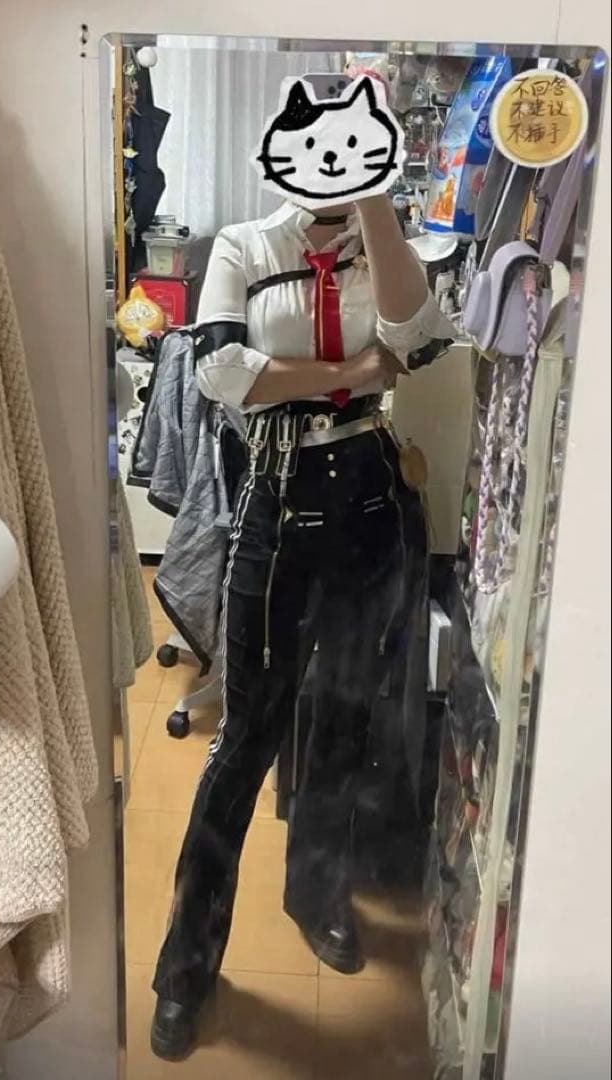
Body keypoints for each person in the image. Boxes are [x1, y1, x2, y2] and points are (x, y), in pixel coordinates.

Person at [150, 192, 454, 1059]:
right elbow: (222, 371)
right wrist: (351, 370)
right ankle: (186, 965)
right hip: (276, 504)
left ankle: (316, 892)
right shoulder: (245, 245)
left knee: (345, 718)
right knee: (245, 738)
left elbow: (416, 343)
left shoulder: (386, 241)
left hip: (371, 502)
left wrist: (377, 211)